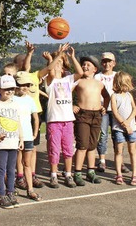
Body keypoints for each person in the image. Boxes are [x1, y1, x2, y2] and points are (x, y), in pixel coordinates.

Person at [42, 44, 82, 188]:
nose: (57, 64)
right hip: (54, 121)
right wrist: (57, 55)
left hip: (68, 120)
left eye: (60, 63)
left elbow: (80, 72)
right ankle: (53, 175)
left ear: (63, 66)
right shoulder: (49, 81)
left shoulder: (68, 80)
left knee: (68, 149)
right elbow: (50, 71)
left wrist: (71, 57)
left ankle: (68, 174)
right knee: (54, 148)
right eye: (55, 63)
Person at [0, 75, 24, 208]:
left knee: (11, 169)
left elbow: (18, 122)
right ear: (0, 90)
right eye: (6, 89)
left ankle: (10, 192)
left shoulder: (15, 104)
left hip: (13, 141)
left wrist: (21, 138)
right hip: (1, 143)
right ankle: (1, 195)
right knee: (1, 170)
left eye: (12, 89)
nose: (10, 92)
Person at [72, 55, 109, 186]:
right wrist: (72, 105)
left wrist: (104, 107)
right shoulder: (78, 81)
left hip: (97, 115)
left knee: (92, 146)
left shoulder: (99, 83)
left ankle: (91, 172)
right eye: (83, 65)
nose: (85, 67)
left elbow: (106, 96)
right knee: (82, 145)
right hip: (83, 115)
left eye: (88, 65)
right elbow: (66, 93)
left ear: (95, 69)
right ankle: (77, 172)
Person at [14, 71, 42, 201]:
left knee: (27, 163)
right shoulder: (11, 99)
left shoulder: (30, 100)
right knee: (13, 162)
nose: (23, 87)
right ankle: (10, 188)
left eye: (26, 85)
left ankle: (30, 189)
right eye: (20, 84)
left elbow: (35, 118)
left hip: (28, 136)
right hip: (14, 136)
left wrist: (35, 133)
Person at [110, 72, 136, 186]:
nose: (127, 86)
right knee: (119, 151)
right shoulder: (114, 96)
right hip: (119, 128)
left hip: (131, 128)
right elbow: (115, 112)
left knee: (132, 151)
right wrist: (124, 124)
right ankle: (119, 175)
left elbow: (135, 109)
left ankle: (134, 175)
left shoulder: (129, 95)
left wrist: (128, 122)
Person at [94, 52, 117, 173]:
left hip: (115, 109)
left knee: (117, 135)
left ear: (114, 63)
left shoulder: (117, 75)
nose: (106, 64)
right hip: (102, 109)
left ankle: (119, 160)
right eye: (104, 61)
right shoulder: (97, 77)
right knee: (103, 135)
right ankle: (102, 160)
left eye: (109, 61)